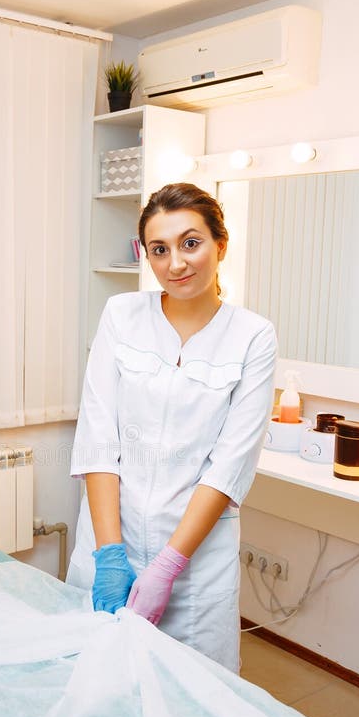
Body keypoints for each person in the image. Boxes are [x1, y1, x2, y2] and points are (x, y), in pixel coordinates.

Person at [66, 182, 277, 673]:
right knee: (96, 682)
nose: (175, 264)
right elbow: (99, 438)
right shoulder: (122, 314)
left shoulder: (252, 336)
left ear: (220, 245)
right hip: (107, 539)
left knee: (191, 694)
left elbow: (228, 467)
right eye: (159, 249)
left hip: (193, 566)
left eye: (190, 243)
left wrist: (168, 566)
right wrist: (110, 554)